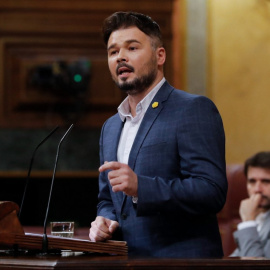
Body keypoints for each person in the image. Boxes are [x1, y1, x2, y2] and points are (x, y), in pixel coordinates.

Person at [89, 11, 227, 258]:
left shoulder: (192, 108)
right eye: (113, 52)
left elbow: (211, 191)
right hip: (124, 262)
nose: (120, 56)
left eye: (132, 48)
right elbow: (107, 199)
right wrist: (104, 220)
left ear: (159, 55)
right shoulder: (110, 127)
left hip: (180, 262)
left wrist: (142, 187)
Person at [230, 151, 270, 258]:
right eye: (252, 181)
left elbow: (255, 266)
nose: (257, 189)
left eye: (266, 181)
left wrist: (248, 221)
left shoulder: (250, 217)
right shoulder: (260, 217)